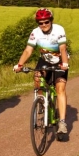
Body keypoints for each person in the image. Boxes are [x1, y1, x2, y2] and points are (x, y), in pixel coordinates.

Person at [13, 8, 70, 137]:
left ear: (51, 21)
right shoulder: (35, 32)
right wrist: (20, 64)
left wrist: (65, 63)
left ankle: (62, 122)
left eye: (46, 22)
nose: (43, 25)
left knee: (60, 88)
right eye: (40, 22)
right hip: (44, 60)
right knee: (37, 77)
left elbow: (62, 49)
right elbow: (28, 50)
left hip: (60, 61)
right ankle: (42, 101)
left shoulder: (59, 30)